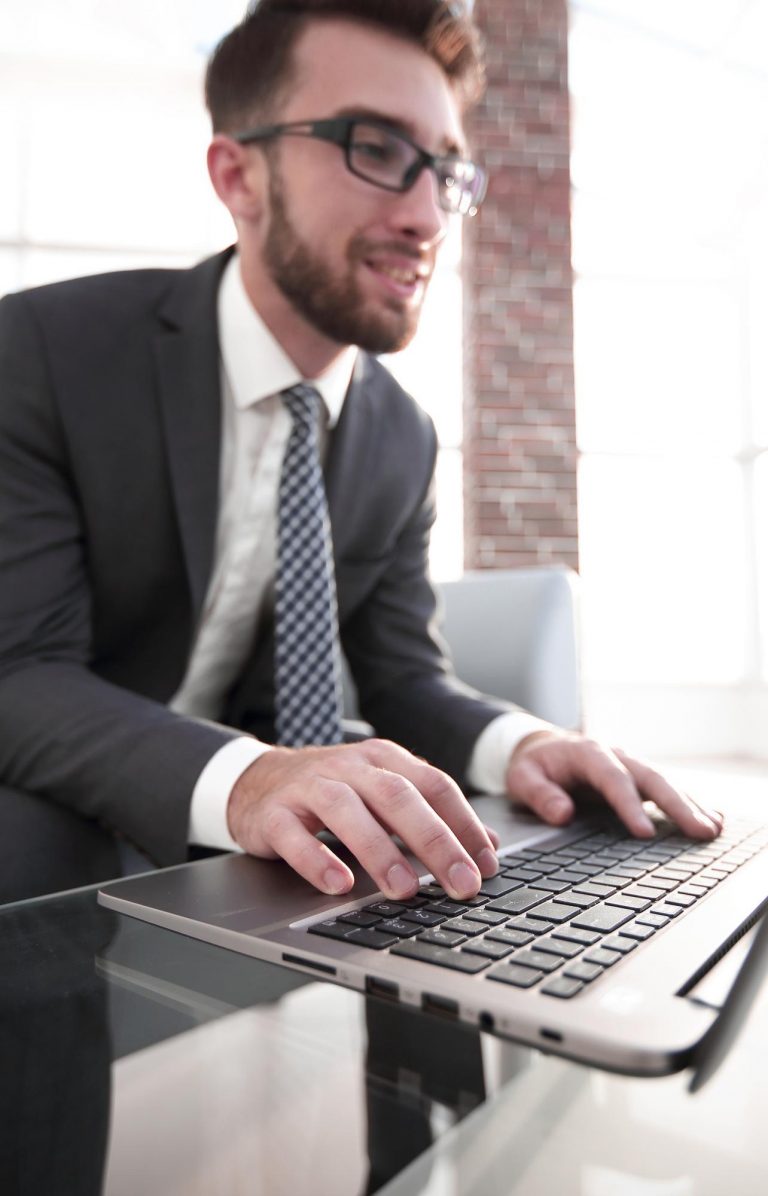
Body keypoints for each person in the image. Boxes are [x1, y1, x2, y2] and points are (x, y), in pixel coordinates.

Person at [0, 0, 722, 905]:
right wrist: (254, 778)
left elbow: (404, 678)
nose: (427, 216)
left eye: (446, 169)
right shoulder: (43, 353)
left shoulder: (399, 436)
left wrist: (529, 744)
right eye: (375, 150)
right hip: (77, 782)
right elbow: (20, 672)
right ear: (239, 175)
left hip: (254, 801)